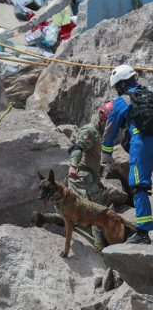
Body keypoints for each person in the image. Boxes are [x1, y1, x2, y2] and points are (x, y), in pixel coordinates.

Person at [32, 100, 113, 251]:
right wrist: (73, 167)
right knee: (97, 208)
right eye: (111, 122)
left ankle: (45, 218)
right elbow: (77, 149)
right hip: (81, 176)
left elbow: (92, 158)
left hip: (87, 176)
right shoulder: (90, 131)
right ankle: (99, 245)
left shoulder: (98, 133)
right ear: (104, 118)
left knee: (73, 211)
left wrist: (97, 180)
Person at [101, 64, 153, 244]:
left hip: (142, 145)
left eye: (117, 87)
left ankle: (143, 233)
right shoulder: (150, 92)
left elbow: (110, 130)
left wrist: (105, 156)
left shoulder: (123, 100)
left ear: (122, 84)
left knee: (138, 185)